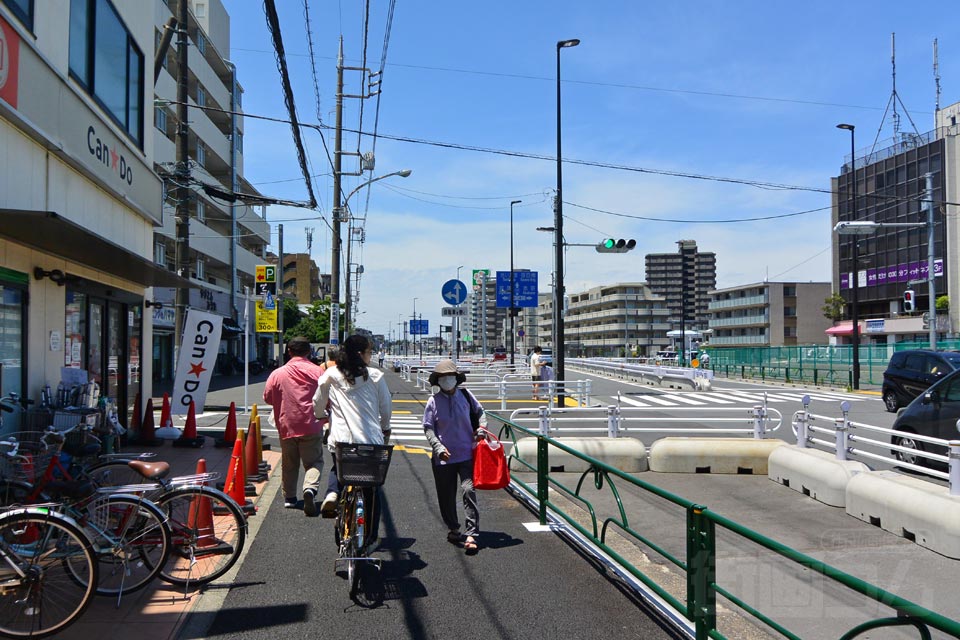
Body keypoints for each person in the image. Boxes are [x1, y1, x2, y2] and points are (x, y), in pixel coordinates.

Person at [313, 335, 392, 541]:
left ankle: (333, 493)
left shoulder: (332, 374)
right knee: (371, 491)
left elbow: (318, 400)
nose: (370, 356)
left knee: (339, 468)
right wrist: (385, 428)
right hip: (370, 441)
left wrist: (320, 414)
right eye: (369, 352)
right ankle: (371, 537)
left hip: (341, 440)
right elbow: (386, 408)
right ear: (361, 354)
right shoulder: (375, 376)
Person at [422, 359, 485, 554]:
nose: (447, 380)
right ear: (438, 381)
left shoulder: (466, 395)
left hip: (467, 453)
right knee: (446, 495)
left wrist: (481, 429)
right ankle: (454, 528)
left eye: (450, 376)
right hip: (443, 458)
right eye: (443, 377)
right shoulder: (433, 401)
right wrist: (438, 447)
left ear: (456, 378)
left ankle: (471, 533)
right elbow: (428, 427)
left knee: (468, 490)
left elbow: (480, 413)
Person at [262, 337, 327, 516]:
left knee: (289, 463)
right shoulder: (318, 372)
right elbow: (327, 397)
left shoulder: (278, 373)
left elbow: (267, 397)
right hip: (312, 424)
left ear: (289, 351)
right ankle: (310, 488)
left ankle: (290, 498)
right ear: (309, 351)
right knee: (314, 462)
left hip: (286, 425)